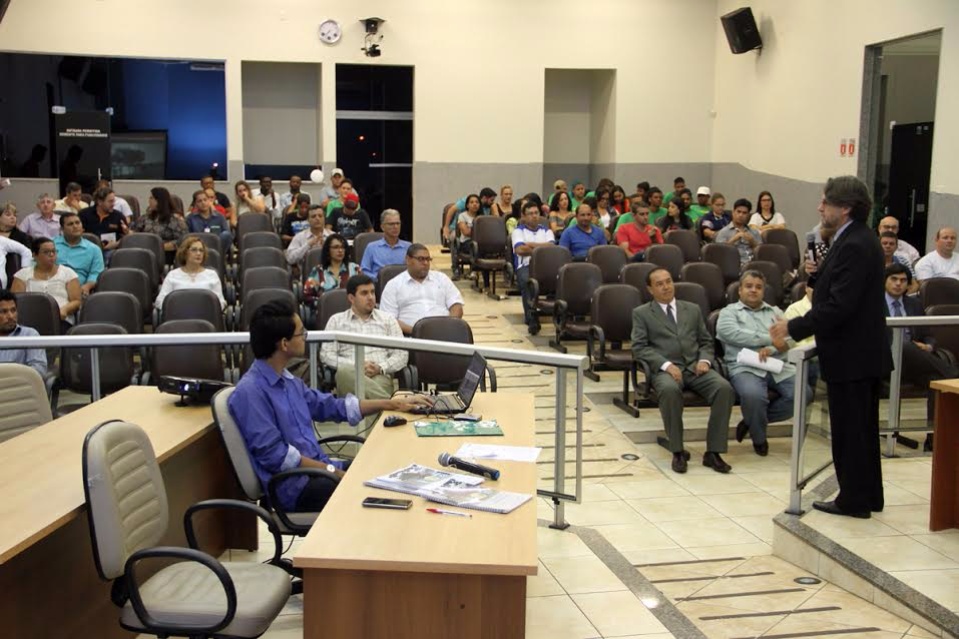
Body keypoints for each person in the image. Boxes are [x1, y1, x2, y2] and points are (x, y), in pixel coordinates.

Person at [227, 299, 432, 513]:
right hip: (295, 488)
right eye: (301, 333)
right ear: (284, 344)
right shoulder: (250, 393)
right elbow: (278, 457)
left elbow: (333, 407)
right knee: (374, 495)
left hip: (318, 473)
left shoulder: (289, 381)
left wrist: (393, 403)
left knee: (384, 473)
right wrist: (332, 471)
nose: (305, 337)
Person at [770, 175, 890, 519]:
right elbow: (836, 288)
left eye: (826, 202)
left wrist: (791, 327)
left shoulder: (854, 243)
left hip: (852, 355)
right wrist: (818, 275)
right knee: (862, 431)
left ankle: (853, 500)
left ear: (846, 208)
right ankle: (868, 495)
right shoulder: (853, 238)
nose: (820, 207)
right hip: (860, 354)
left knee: (851, 432)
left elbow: (840, 306)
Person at [631, 267, 734, 474]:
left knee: (724, 389)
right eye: (659, 284)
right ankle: (677, 450)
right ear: (650, 289)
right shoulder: (642, 313)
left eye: (668, 281)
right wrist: (666, 365)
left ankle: (713, 452)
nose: (666, 287)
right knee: (669, 391)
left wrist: (705, 360)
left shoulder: (692, 309)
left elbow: (706, 341)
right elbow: (639, 348)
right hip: (665, 371)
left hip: (695, 368)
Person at [717, 270, 805, 456]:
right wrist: (771, 339)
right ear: (739, 290)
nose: (753, 290)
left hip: (775, 364)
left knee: (803, 394)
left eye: (758, 287)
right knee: (754, 396)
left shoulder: (775, 312)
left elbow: (791, 339)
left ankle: (751, 421)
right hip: (744, 367)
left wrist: (772, 349)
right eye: (748, 286)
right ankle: (759, 439)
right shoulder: (728, 312)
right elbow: (732, 334)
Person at [885, 264, 958, 447]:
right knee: (904, 345)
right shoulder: (873, 304)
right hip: (886, 361)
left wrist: (928, 346)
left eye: (903, 281)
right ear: (884, 281)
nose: (898, 284)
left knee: (936, 381)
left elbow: (928, 335)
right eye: (894, 279)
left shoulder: (914, 304)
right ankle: (955, 376)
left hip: (915, 363)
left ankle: (935, 440)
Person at [321, 274, 408, 402]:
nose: (371, 297)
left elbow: (402, 354)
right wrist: (357, 366)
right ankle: (392, 404)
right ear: (351, 298)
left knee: (368, 395)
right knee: (344, 372)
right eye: (364, 293)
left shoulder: (388, 320)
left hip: (379, 375)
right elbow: (326, 355)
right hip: (348, 375)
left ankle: (388, 406)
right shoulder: (336, 321)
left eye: (372, 292)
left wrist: (380, 367)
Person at [380, 244, 464, 335]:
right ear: (408, 260)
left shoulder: (441, 278)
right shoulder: (393, 285)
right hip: (411, 337)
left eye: (428, 259)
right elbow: (389, 319)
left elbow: (457, 306)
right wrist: (419, 333)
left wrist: (449, 326)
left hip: (444, 334)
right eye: (421, 259)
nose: (425, 263)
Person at [11, 238, 81, 329]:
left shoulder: (68, 273)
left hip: (61, 319)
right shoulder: (22, 275)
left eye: (53, 251)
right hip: (29, 321)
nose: (51, 255)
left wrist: (65, 309)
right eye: (46, 252)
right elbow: (15, 302)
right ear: (34, 255)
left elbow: (77, 301)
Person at [512, 200, 555, 335]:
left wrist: (530, 244)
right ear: (523, 217)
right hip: (525, 265)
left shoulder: (547, 230)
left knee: (562, 280)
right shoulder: (518, 231)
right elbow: (520, 250)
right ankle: (532, 319)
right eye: (530, 214)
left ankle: (559, 316)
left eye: (536, 213)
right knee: (527, 281)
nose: (534, 216)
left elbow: (552, 248)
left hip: (546, 266)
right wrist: (541, 246)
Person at [153, 236, 227, 311]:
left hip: (205, 317)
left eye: (201, 250)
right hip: (178, 317)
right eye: (194, 250)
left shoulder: (212, 275)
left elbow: (220, 302)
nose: (198, 253)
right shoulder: (172, 275)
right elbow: (160, 301)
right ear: (184, 253)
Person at [53, 212, 103, 297]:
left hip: (78, 289)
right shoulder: (51, 245)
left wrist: (87, 286)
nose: (75, 226)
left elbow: (96, 273)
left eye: (77, 223)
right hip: (53, 286)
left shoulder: (94, 249)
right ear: (62, 229)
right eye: (70, 224)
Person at [132, 187, 188, 262]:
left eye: (152, 198)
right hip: (144, 251)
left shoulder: (175, 219)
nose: (149, 201)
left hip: (165, 254)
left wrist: (160, 247)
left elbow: (183, 240)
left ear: (160, 200)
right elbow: (136, 233)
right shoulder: (145, 217)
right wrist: (128, 232)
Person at [0, 289, 47, 376]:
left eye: (13, 310)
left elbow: (39, 370)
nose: (10, 316)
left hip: (20, 387)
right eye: (3, 311)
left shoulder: (30, 335)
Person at [302, 233, 360, 304]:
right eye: (336, 247)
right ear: (328, 250)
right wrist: (324, 304)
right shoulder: (318, 271)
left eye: (343, 247)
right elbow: (307, 296)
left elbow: (363, 292)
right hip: (326, 311)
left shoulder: (355, 269)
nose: (340, 250)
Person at [783, 282, 820, 389]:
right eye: (813, 287)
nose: (816, 291)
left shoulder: (827, 308)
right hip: (807, 360)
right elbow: (793, 342)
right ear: (806, 288)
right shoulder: (793, 309)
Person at [359, 209, 410, 279]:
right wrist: (380, 279)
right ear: (382, 227)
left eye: (398, 223)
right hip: (379, 286)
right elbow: (364, 271)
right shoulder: (372, 247)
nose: (395, 227)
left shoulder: (409, 247)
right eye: (391, 224)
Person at [79, 187, 128, 251]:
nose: (113, 204)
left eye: (114, 201)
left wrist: (118, 243)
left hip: (111, 250)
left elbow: (127, 236)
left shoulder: (118, 216)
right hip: (88, 249)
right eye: (110, 201)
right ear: (100, 202)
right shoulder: (84, 214)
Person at [186, 189, 233, 257]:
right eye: (199, 201)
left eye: (205, 200)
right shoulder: (190, 218)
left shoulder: (219, 216)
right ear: (195, 204)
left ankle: (217, 257)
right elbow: (187, 237)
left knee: (226, 234)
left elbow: (227, 234)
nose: (203, 203)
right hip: (198, 249)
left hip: (217, 248)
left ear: (209, 201)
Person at [715, 198, 761, 266]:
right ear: (733, 212)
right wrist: (733, 239)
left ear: (748, 215)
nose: (741, 215)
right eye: (738, 212)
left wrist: (752, 242)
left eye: (744, 213)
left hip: (754, 265)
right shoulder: (723, 232)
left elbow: (762, 253)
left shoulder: (754, 232)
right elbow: (719, 254)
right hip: (733, 266)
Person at [452, 195, 481, 279]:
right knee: (476, 247)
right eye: (472, 202)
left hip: (480, 242)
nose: (474, 204)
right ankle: (473, 271)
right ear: (467, 205)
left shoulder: (481, 217)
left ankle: (475, 271)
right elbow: (466, 232)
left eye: (477, 202)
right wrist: (479, 231)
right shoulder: (462, 216)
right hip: (466, 242)